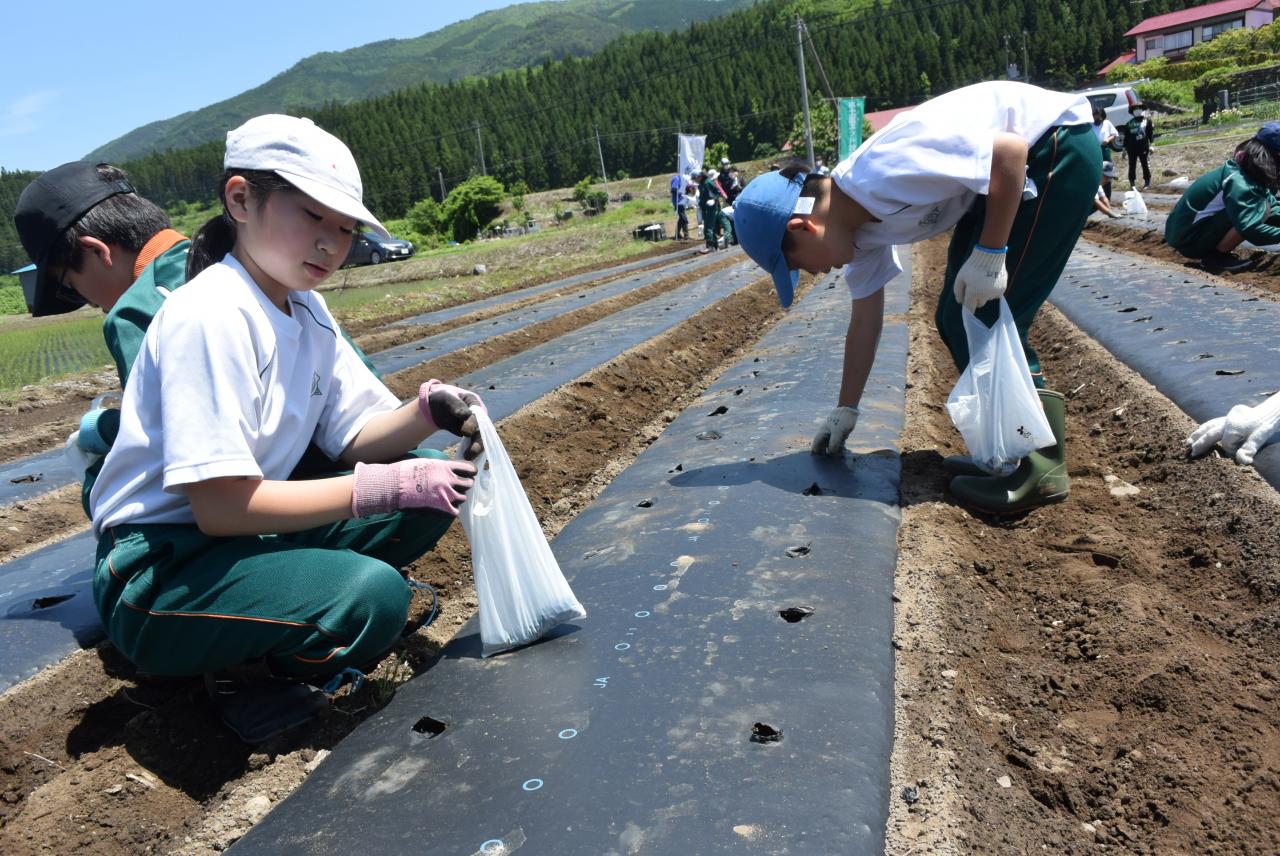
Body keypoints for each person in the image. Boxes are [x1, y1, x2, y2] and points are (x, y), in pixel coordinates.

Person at [88, 114, 486, 743]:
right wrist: (383, 487)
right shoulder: (211, 315)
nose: (332, 243)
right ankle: (243, 669)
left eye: (346, 227)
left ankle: (276, 612)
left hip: (241, 538)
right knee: (372, 595)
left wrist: (425, 412)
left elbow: (352, 438)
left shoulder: (305, 307)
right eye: (312, 216)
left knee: (435, 497)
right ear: (241, 199)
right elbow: (220, 506)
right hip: (161, 570)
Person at [733, 80, 1100, 515]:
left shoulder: (883, 171)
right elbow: (865, 320)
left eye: (798, 267)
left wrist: (991, 252)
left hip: (1051, 149)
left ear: (802, 227)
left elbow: (1010, 153)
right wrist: (845, 409)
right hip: (1008, 179)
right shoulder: (859, 233)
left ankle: (1043, 462)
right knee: (954, 316)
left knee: (989, 310)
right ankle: (1013, 452)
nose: (813, 274)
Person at [1164, 123, 1280, 273]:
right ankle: (1216, 258)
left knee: (1263, 206)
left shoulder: (1247, 172)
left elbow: (1273, 208)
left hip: (1190, 234)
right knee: (1260, 207)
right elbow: (1251, 229)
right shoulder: (1240, 182)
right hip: (1189, 240)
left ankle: (1216, 253)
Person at [1123, 103, 1154, 191]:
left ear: (1142, 110)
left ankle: (1147, 181)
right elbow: (1126, 138)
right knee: (1132, 165)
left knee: (1145, 164)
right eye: (1135, 109)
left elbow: (1150, 134)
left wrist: (1152, 145)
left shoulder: (1147, 121)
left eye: (1139, 108)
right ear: (1132, 112)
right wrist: (1124, 149)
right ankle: (1132, 183)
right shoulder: (1129, 124)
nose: (1137, 110)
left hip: (1143, 147)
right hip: (1131, 148)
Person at [1092, 108, 1119, 201]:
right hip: (1095, 149)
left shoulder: (1107, 123)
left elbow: (1115, 134)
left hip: (1105, 149)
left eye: (1098, 115)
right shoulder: (1090, 125)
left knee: (1107, 173)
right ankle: (1097, 198)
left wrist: (1108, 139)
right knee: (1097, 173)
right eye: (1095, 115)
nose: (1097, 117)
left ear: (1102, 115)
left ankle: (1108, 197)